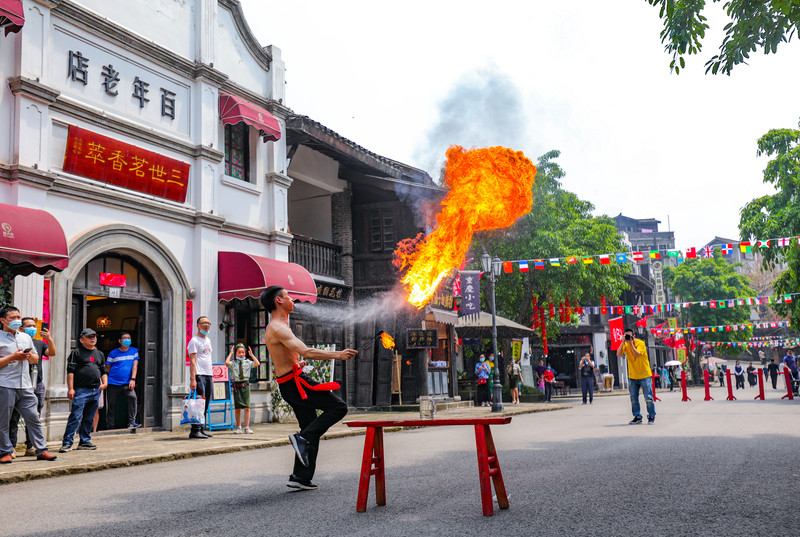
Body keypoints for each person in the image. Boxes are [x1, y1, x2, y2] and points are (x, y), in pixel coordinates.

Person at [263, 285, 356, 491]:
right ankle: (303, 439)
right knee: (338, 408)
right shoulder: (277, 327)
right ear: (278, 301)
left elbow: (288, 357)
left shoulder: (280, 326)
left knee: (310, 426)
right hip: (295, 384)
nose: (292, 301)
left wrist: (298, 364)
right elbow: (307, 351)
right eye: (288, 297)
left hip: (291, 382)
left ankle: (300, 477)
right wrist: (338, 354)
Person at [0, 306, 57, 463]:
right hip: (5, 384)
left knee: (33, 418)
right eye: (12, 318)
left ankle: (41, 450)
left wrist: (28, 356)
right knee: (3, 420)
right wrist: (13, 357)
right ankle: (5, 451)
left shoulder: (25, 338)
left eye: (18, 317)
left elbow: (35, 359)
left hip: (25, 385)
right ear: (3, 320)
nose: (17, 320)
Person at [60, 328, 107, 452]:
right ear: (82, 340)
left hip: (95, 390)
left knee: (89, 417)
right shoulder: (76, 353)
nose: (93, 339)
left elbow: (103, 370)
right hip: (81, 390)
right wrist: (70, 388)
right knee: (75, 416)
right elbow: (70, 371)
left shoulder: (99, 354)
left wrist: (105, 383)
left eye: (94, 336)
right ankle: (67, 442)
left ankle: (85, 441)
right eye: (89, 337)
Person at [616, 328, 655, 424]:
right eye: (626, 336)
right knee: (633, 399)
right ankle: (637, 416)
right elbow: (618, 354)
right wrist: (622, 342)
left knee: (648, 398)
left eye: (629, 335)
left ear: (634, 336)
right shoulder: (625, 345)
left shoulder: (640, 343)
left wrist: (631, 344)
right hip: (632, 376)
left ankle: (651, 416)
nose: (628, 338)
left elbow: (637, 354)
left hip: (644, 375)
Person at [105, 332, 140, 430]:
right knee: (111, 405)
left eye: (128, 338)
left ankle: (132, 422)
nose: (127, 339)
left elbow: (135, 365)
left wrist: (133, 379)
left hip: (127, 383)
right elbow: (107, 367)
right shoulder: (113, 353)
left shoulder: (134, 351)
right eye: (124, 338)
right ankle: (110, 426)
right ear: (119, 341)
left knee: (132, 398)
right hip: (113, 383)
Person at [187, 316, 214, 439]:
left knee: (205, 403)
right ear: (198, 325)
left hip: (208, 375)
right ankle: (195, 430)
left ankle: (202, 429)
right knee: (199, 403)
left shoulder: (207, 340)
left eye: (208, 323)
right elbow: (193, 361)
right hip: (199, 375)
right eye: (204, 323)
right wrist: (193, 379)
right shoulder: (194, 341)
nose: (206, 325)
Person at [225, 343, 260, 433]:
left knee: (247, 407)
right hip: (237, 386)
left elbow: (257, 363)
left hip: (246, 385)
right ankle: (238, 427)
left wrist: (251, 355)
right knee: (237, 408)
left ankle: (247, 427)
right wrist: (230, 353)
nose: (241, 354)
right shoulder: (234, 363)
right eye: (239, 352)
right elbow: (227, 363)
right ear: (236, 353)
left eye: (243, 352)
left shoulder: (248, 362)